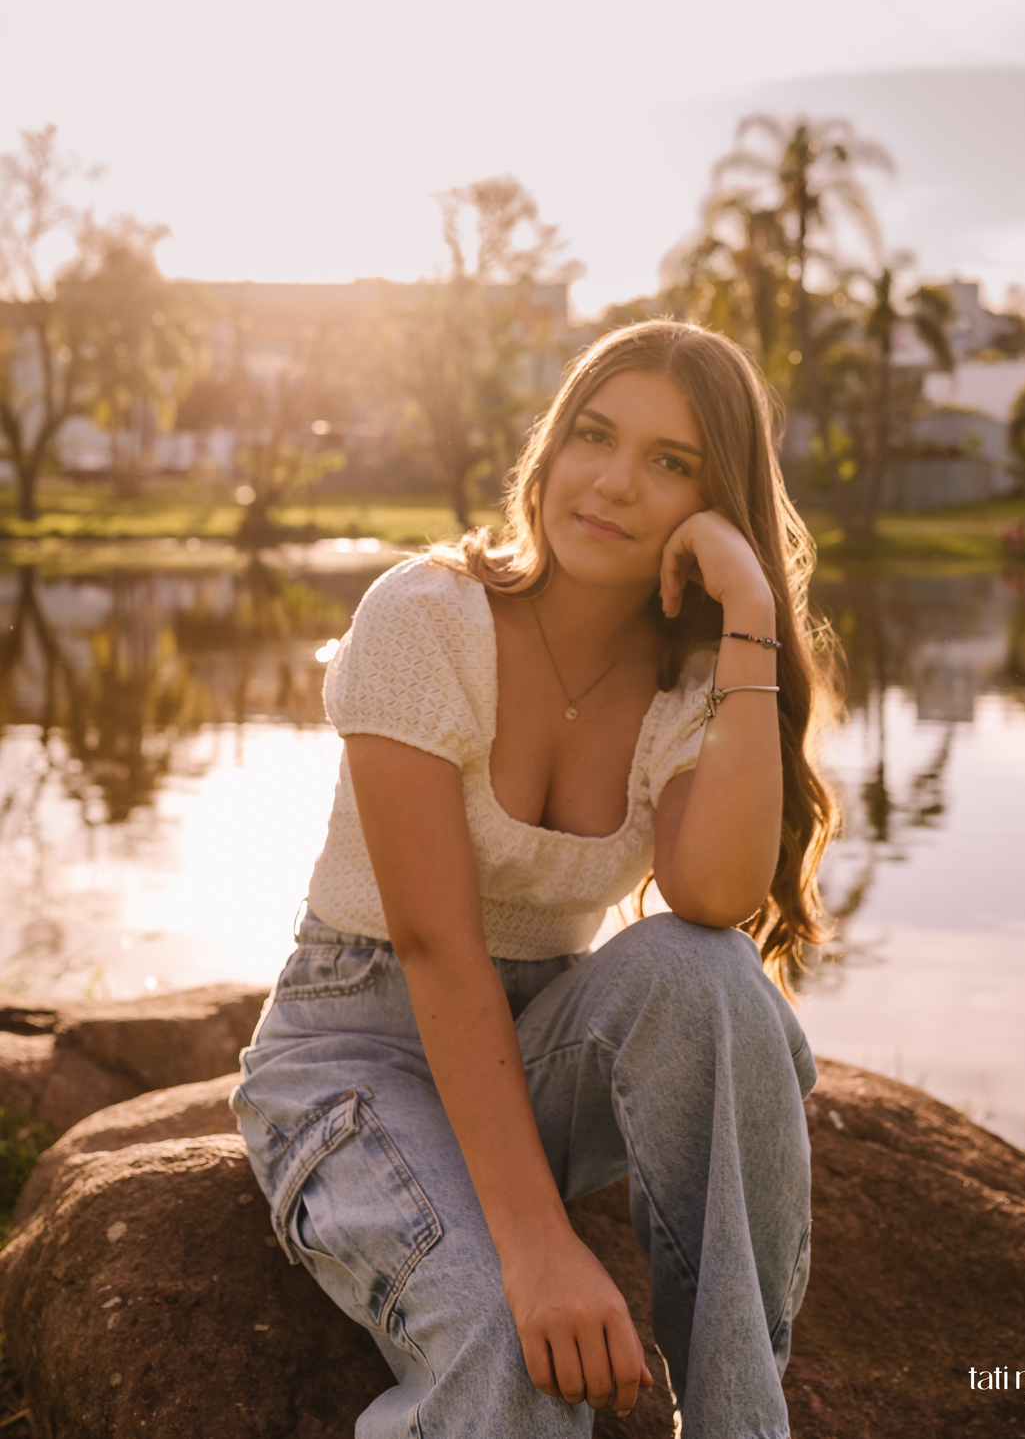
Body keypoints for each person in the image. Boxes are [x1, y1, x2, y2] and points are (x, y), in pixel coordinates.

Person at [232, 319, 838, 1438]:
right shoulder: (424, 617)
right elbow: (435, 948)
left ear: (718, 503)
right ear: (549, 449)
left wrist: (751, 606)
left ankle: (738, 1424)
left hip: (540, 1047)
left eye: (671, 461)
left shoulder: (694, 683)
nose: (611, 482)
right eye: (594, 436)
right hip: (358, 1049)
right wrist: (537, 1242)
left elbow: (711, 895)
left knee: (706, 971)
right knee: (523, 1348)